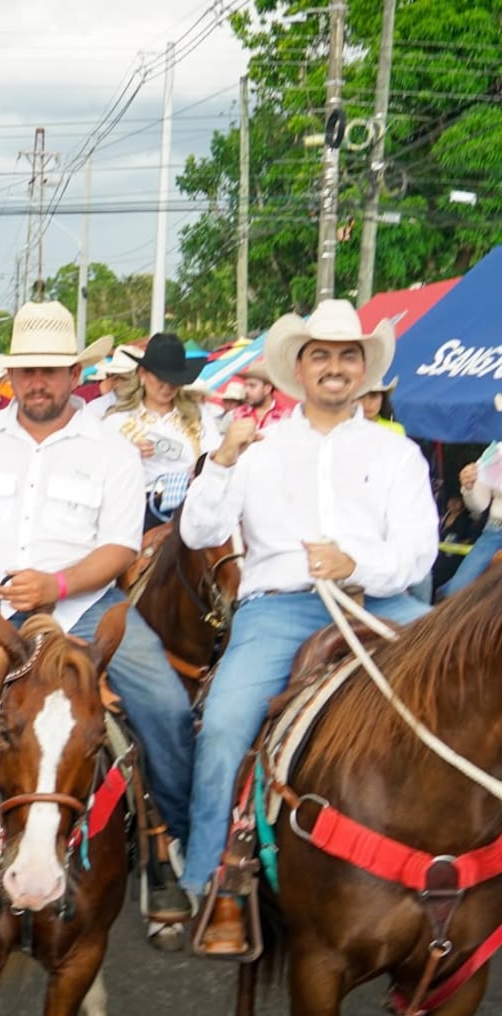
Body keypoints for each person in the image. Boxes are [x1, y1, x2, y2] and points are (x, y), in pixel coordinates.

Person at [0, 301, 195, 916]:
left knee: (166, 705)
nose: (39, 382)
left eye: (51, 370)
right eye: (28, 371)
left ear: (74, 374)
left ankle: (167, 848)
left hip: (83, 608)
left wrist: (56, 584)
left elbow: (121, 546)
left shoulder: (111, 448)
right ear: (12, 378)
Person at [179, 300, 437, 950]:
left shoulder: (395, 453)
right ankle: (216, 878)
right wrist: (223, 461)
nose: (334, 366)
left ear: (363, 369)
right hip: (281, 607)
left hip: (380, 600)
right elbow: (199, 531)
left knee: (466, 691)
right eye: (320, 354)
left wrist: (360, 563)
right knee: (228, 724)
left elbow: (419, 550)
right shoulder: (256, 446)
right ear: (300, 367)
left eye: (348, 355)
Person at [101, 332, 220, 527]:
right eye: (161, 379)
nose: (167, 386)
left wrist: (202, 467)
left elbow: (215, 456)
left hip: (193, 505)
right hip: (137, 508)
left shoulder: (200, 416)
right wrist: (127, 454)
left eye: (174, 380)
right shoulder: (117, 421)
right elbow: (100, 469)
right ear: (142, 374)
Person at [439, 445, 502, 598]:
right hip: (495, 532)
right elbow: (479, 506)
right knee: (456, 593)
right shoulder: (497, 451)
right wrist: (469, 486)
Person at [229, 359, 296, 428]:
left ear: (267, 389)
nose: (246, 390)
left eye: (252, 386)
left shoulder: (286, 415)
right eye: (245, 386)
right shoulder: (235, 414)